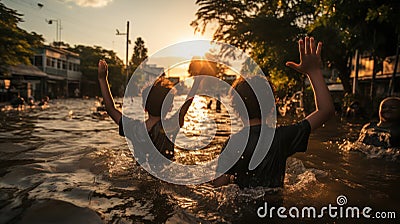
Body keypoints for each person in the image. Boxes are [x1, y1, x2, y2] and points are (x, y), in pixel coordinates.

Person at [213, 37, 335, 188]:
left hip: (242, 208)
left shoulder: (233, 143)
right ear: (271, 107)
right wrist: (314, 71)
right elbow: (326, 110)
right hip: (274, 209)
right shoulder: (280, 137)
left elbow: (218, 184)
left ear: (235, 109)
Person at [98, 60, 202, 162]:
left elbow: (111, 109)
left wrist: (103, 79)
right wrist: (197, 82)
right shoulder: (170, 126)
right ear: (170, 107)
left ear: (144, 106)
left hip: (139, 174)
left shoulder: (134, 129)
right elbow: (187, 103)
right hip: (165, 174)